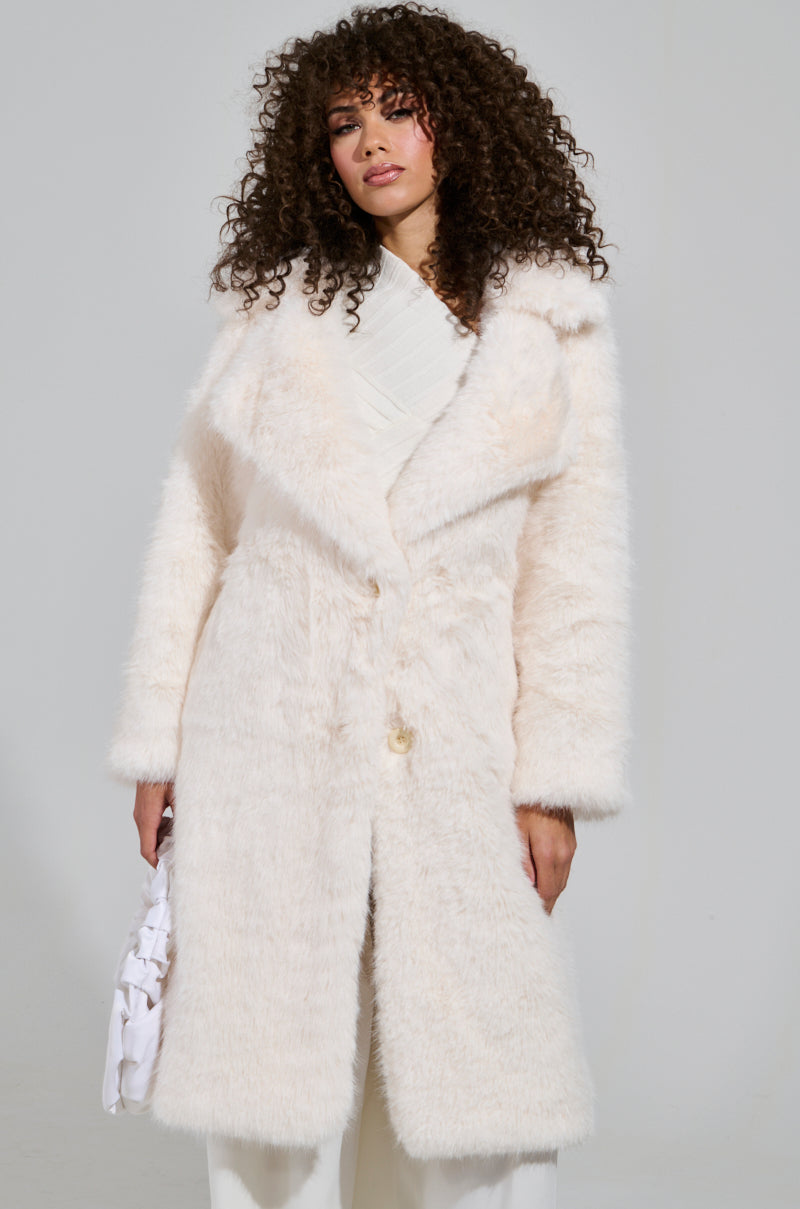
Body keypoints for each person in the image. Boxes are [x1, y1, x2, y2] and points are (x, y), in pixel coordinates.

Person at [106, 3, 632, 1207]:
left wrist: (550, 781)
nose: (372, 141)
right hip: (266, 717)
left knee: (468, 1078)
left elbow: (573, 574)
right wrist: (157, 745)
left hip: (456, 729)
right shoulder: (273, 314)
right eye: (344, 122)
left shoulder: (547, 324)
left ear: (464, 124)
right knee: (265, 1070)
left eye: (400, 109)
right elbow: (198, 529)